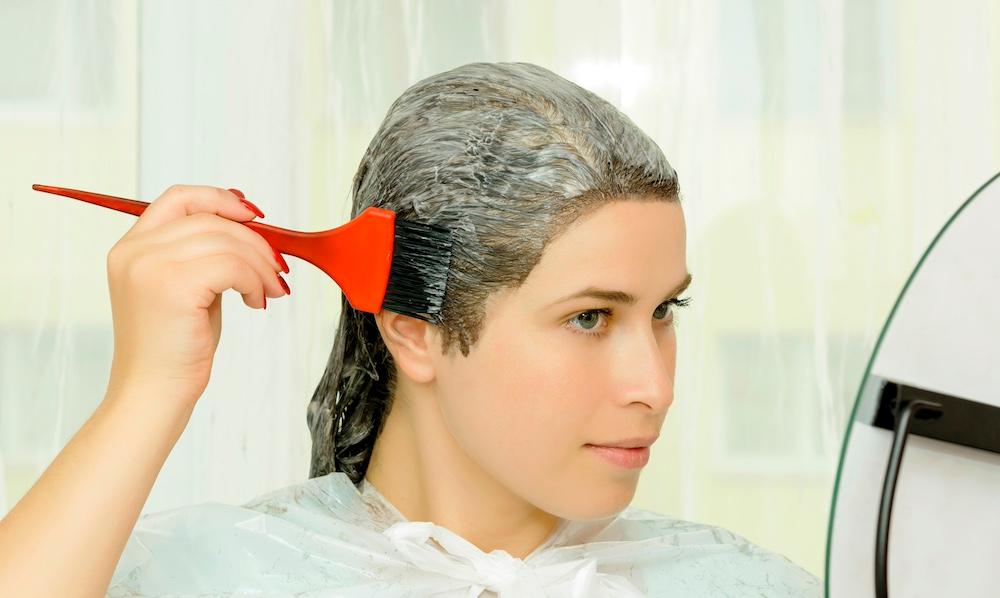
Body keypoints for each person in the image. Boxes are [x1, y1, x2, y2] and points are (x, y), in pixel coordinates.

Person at [0, 62, 821, 597]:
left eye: (663, 312)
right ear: (413, 328)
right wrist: (148, 390)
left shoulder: (737, 585)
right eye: (590, 318)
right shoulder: (217, 576)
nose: (655, 385)